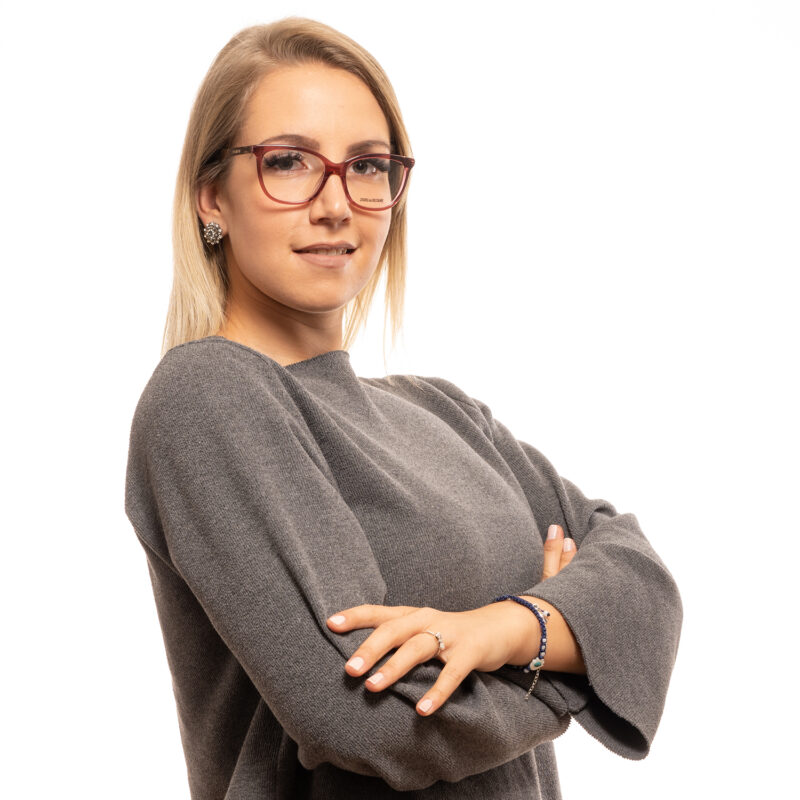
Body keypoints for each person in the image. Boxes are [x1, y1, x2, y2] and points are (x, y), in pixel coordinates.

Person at [124, 16, 683, 800]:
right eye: (288, 162)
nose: (336, 204)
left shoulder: (444, 412)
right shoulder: (209, 395)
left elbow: (639, 576)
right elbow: (370, 720)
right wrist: (567, 658)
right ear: (212, 196)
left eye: (367, 166)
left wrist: (505, 628)